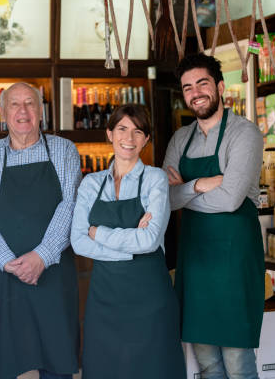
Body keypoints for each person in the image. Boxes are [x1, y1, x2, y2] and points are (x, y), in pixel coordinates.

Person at [0, 82, 80, 379]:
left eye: (30, 103)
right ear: (3, 113)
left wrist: (41, 256)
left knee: (57, 358)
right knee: (3, 360)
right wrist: (10, 262)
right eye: (14, 104)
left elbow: (70, 206)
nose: (23, 111)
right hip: (4, 273)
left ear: (41, 111)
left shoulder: (63, 149)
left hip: (53, 272)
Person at [163, 52, 264, 379]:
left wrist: (184, 191)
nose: (195, 92)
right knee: (206, 363)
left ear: (220, 86)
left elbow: (231, 199)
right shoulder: (180, 138)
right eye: (188, 87)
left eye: (202, 83)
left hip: (235, 262)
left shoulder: (244, 134)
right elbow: (163, 198)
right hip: (196, 261)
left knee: (238, 363)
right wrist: (203, 184)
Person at [71, 104, 186, 379]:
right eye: (122, 129)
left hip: (150, 299)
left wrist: (98, 233)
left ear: (146, 139)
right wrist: (129, 243)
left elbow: (148, 240)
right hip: (104, 300)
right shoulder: (90, 183)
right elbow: (77, 241)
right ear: (109, 133)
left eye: (138, 131)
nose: (129, 138)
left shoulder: (155, 179)